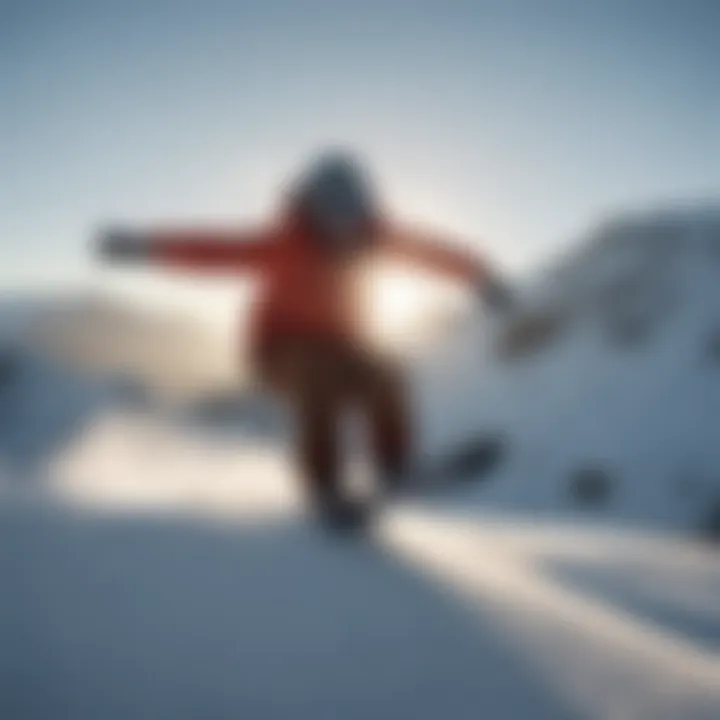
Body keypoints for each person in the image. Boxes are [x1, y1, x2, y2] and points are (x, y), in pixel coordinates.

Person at [95, 150, 512, 530]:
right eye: (334, 214)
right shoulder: (285, 243)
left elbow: (430, 252)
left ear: (364, 208)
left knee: (386, 370)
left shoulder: (374, 236)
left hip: (341, 347)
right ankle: (324, 487)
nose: (343, 228)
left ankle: (393, 464)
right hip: (278, 353)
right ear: (313, 208)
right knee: (319, 377)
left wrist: (480, 277)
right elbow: (212, 249)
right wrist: (144, 248)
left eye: (352, 213)